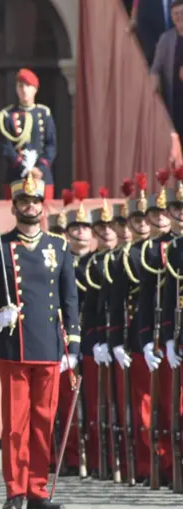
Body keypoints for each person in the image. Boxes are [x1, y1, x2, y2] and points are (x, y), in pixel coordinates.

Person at [0, 162, 79, 509]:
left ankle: (37, 489)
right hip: (13, 345)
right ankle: (15, 490)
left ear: (42, 207)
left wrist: (73, 346)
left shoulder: (58, 247)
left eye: (35, 202)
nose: (30, 207)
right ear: (14, 206)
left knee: (44, 421)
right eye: (24, 202)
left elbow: (69, 300)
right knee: (16, 423)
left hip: (48, 344)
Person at [133, 169, 181, 484]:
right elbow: (155, 297)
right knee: (169, 408)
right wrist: (161, 338)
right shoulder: (162, 252)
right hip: (175, 336)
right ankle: (169, 466)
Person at [109, 176, 153, 482]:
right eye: (134, 220)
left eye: (143, 218)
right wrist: (113, 340)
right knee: (142, 407)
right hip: (138, 334)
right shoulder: (126, 257)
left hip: (165, 333)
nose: (138, 225)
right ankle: (146, 465)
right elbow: (114, 302)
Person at [54, 187, 94, 476]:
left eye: (85, 228)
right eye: (75, 228)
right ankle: (65, 458)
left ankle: (90, 457)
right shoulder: (58, 262)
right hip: (63, 339)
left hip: (94, 339)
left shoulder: (101, 262)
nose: (80, 233)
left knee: (94, 403)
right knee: (63, 403)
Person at [83, 191, 121, 479]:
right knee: (97, 406)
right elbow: (93, 306)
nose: (108, 232)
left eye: (112, 226)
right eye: (103, 227)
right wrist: (97, 339)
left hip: (124, 337)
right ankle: (98, 460)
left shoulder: (126, 258)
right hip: (98, 339)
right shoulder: (92, 263)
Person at [0, 69, 56, 195]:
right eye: (20, 86)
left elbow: (51, 144)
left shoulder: (44, 114)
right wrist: (25, 168)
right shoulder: (7, 116)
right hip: (17, 176)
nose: (24, 90)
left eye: (28, 86)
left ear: (35, 89)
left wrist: (40, 168)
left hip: (41, 176)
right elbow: (6, 147)